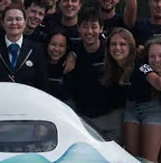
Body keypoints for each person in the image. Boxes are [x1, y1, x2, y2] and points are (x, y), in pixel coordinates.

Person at [123, 38, 161, 162]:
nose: (156, 60)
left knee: (148, 162)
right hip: (132, 107)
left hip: (154, 109)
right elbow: (154, 78)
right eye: (152, 56)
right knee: (132, 159)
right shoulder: (143, 66)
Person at [72, 9, 120, 142]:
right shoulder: (72, 49)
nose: (89, 32)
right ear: (78, 28)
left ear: (101, 28)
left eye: (94, 27)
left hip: (111, 116)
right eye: (85, 27)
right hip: (83, 119)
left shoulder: (112, 50)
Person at [0, 5, 47, 89]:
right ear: (2, 23)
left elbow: (42, 82)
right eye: (9, 19)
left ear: (25, 22)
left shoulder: (37, 50)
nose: (14, 23)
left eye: (18, 19)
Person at [100, 27, 137, 132]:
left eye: (122, 44)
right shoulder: (109, 69)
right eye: (113, 44)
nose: (117, 48)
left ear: (130, 47)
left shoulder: (138, 68)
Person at [43, 29, 73, 103]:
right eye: (53, 44)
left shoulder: (70, 67)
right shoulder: (38, 64)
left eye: (61, 46)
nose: (56, 49)